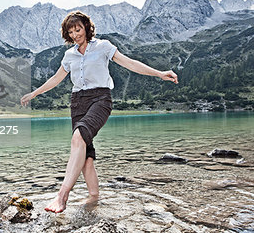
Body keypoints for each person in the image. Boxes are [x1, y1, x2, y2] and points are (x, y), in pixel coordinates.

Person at [20, 11, 178, 213]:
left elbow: (130, 63)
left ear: (86, 27)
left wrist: (159, 73)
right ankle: (94, 197)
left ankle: (62, 196)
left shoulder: (103, 47)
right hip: (77, 103)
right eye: (71, 31)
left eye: (78, 29)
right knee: (85, 157)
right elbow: (55, 79)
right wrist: (33, 94)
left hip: (100, 100)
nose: (76, 34)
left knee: (78, 138)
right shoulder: (69, 55)